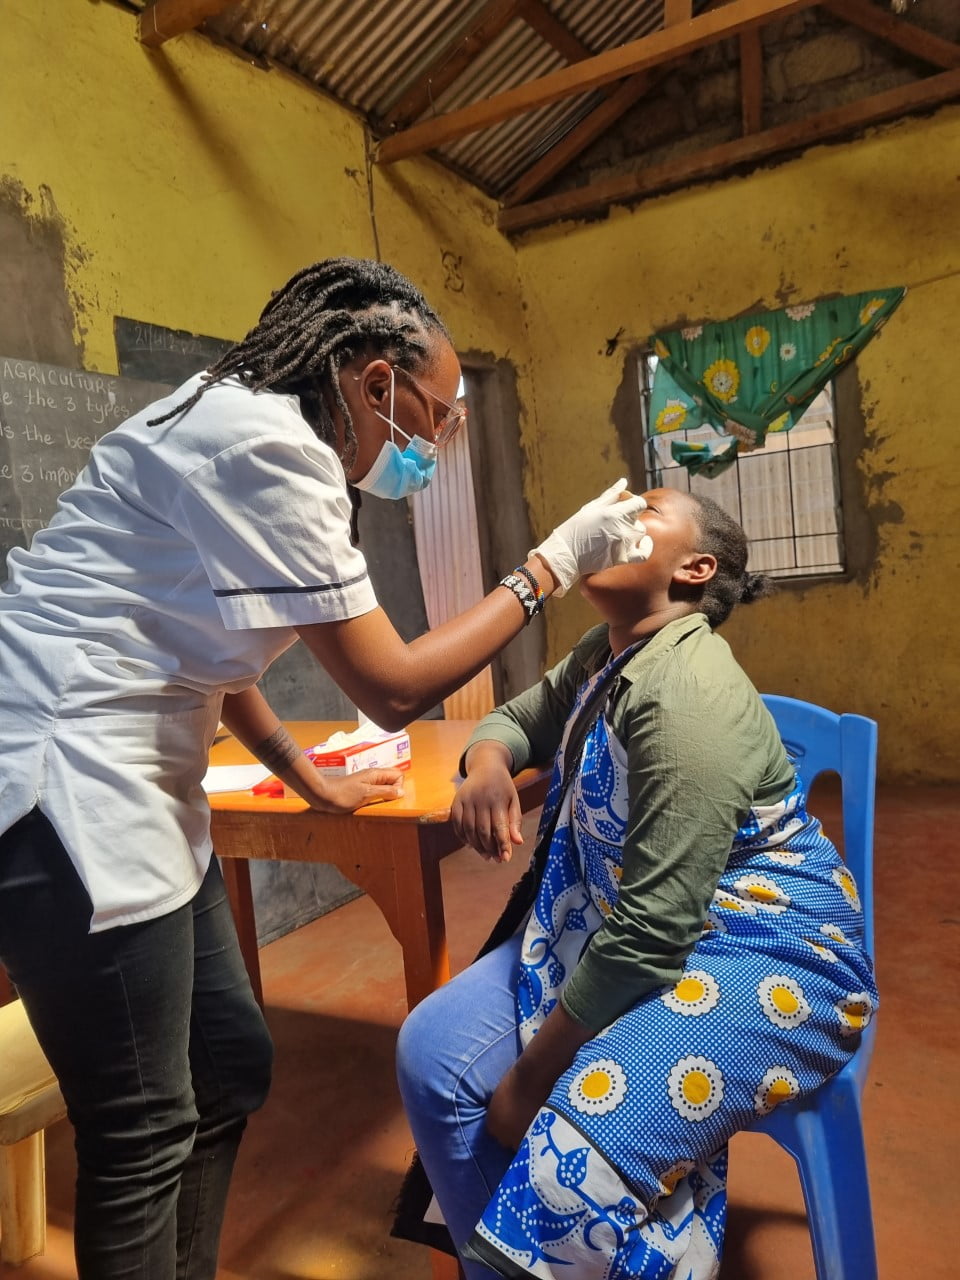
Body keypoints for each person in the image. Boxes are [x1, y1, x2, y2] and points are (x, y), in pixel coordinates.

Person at [0, 256, 650, 1280]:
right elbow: (394, 686)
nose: (432, 447)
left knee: (228, 1061)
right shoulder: (263, 446)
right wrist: (550, 566)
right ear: (373, 382)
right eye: (433, 418)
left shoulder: (234, 422)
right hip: (64, 783)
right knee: (141, 1128)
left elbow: (212, 649)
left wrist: (310, 778)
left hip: (138, 770)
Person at [396, 487, 879, 1280]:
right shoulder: (606, 652)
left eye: (645, 508)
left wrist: (529, 1079)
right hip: (631, 924)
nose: (614, 516)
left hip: (769, 950)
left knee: (570, 1147)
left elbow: (653, 934)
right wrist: (485, 764)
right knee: (433, 1055)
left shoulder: (687, 695)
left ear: (694, 568)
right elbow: (516, 719)